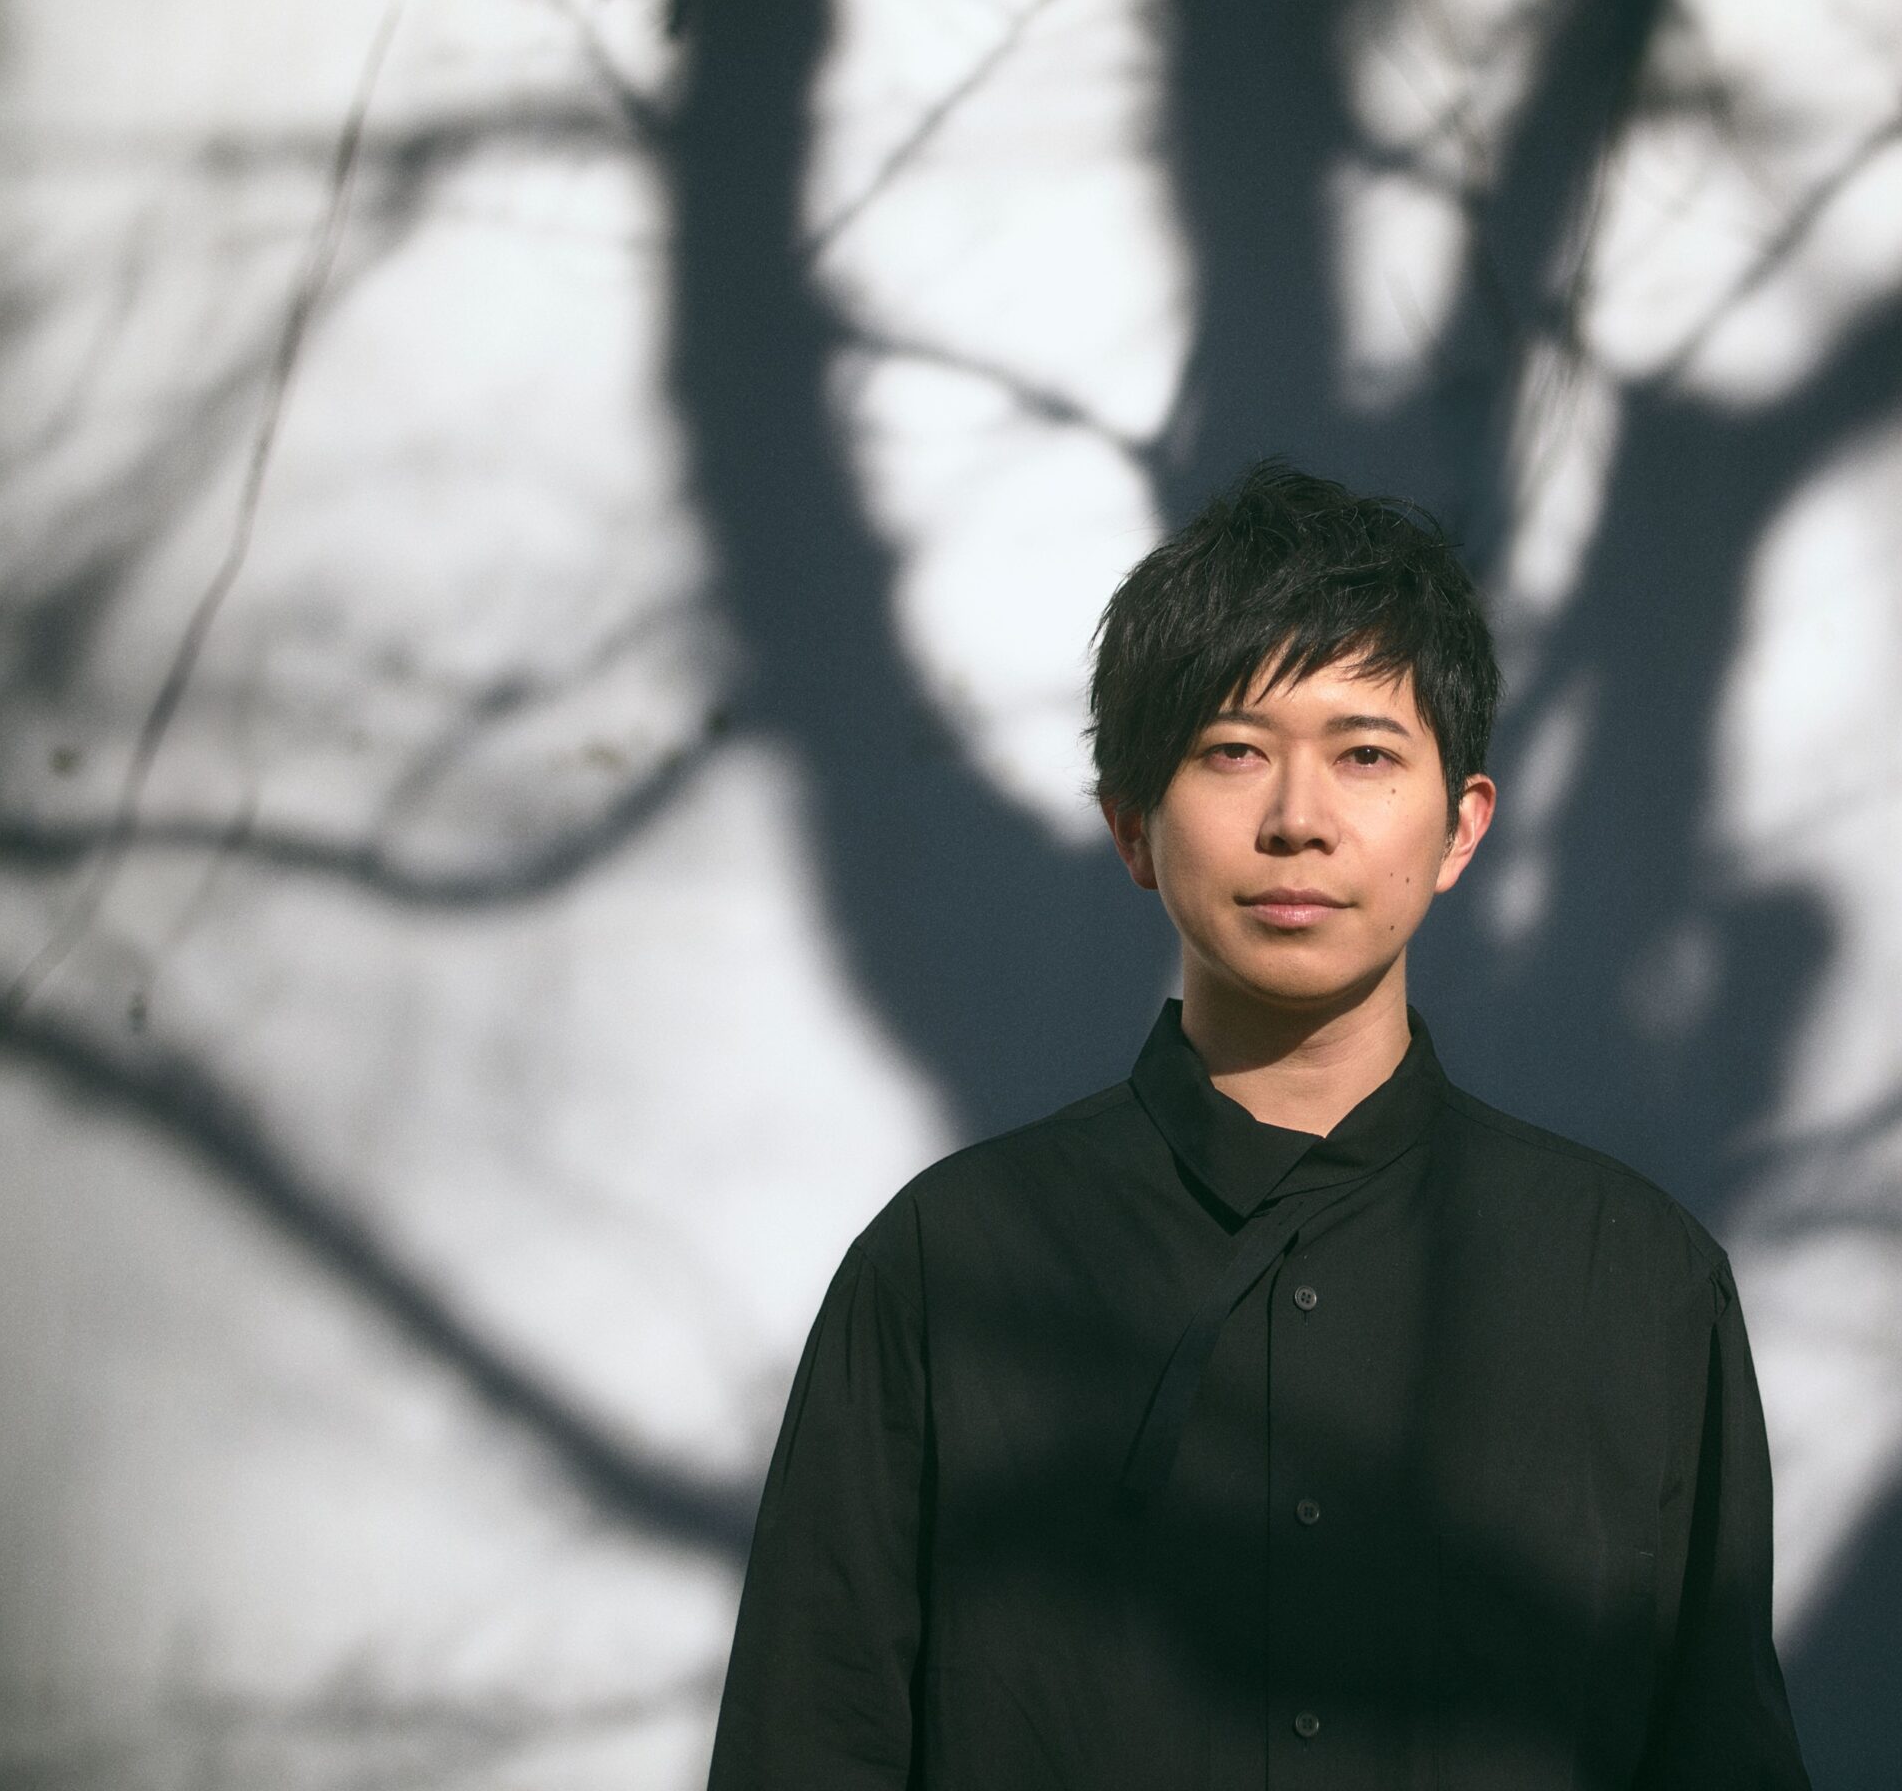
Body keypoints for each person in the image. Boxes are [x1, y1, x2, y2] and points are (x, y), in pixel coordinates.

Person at [705, 462, 1812, 1789]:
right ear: (1132, 825)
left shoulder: (1635, 1280)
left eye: (1366, 754)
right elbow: (804, 1746)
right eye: (1233, 752)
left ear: (1462, 828)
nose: (1298, 821)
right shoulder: (949, 1267)